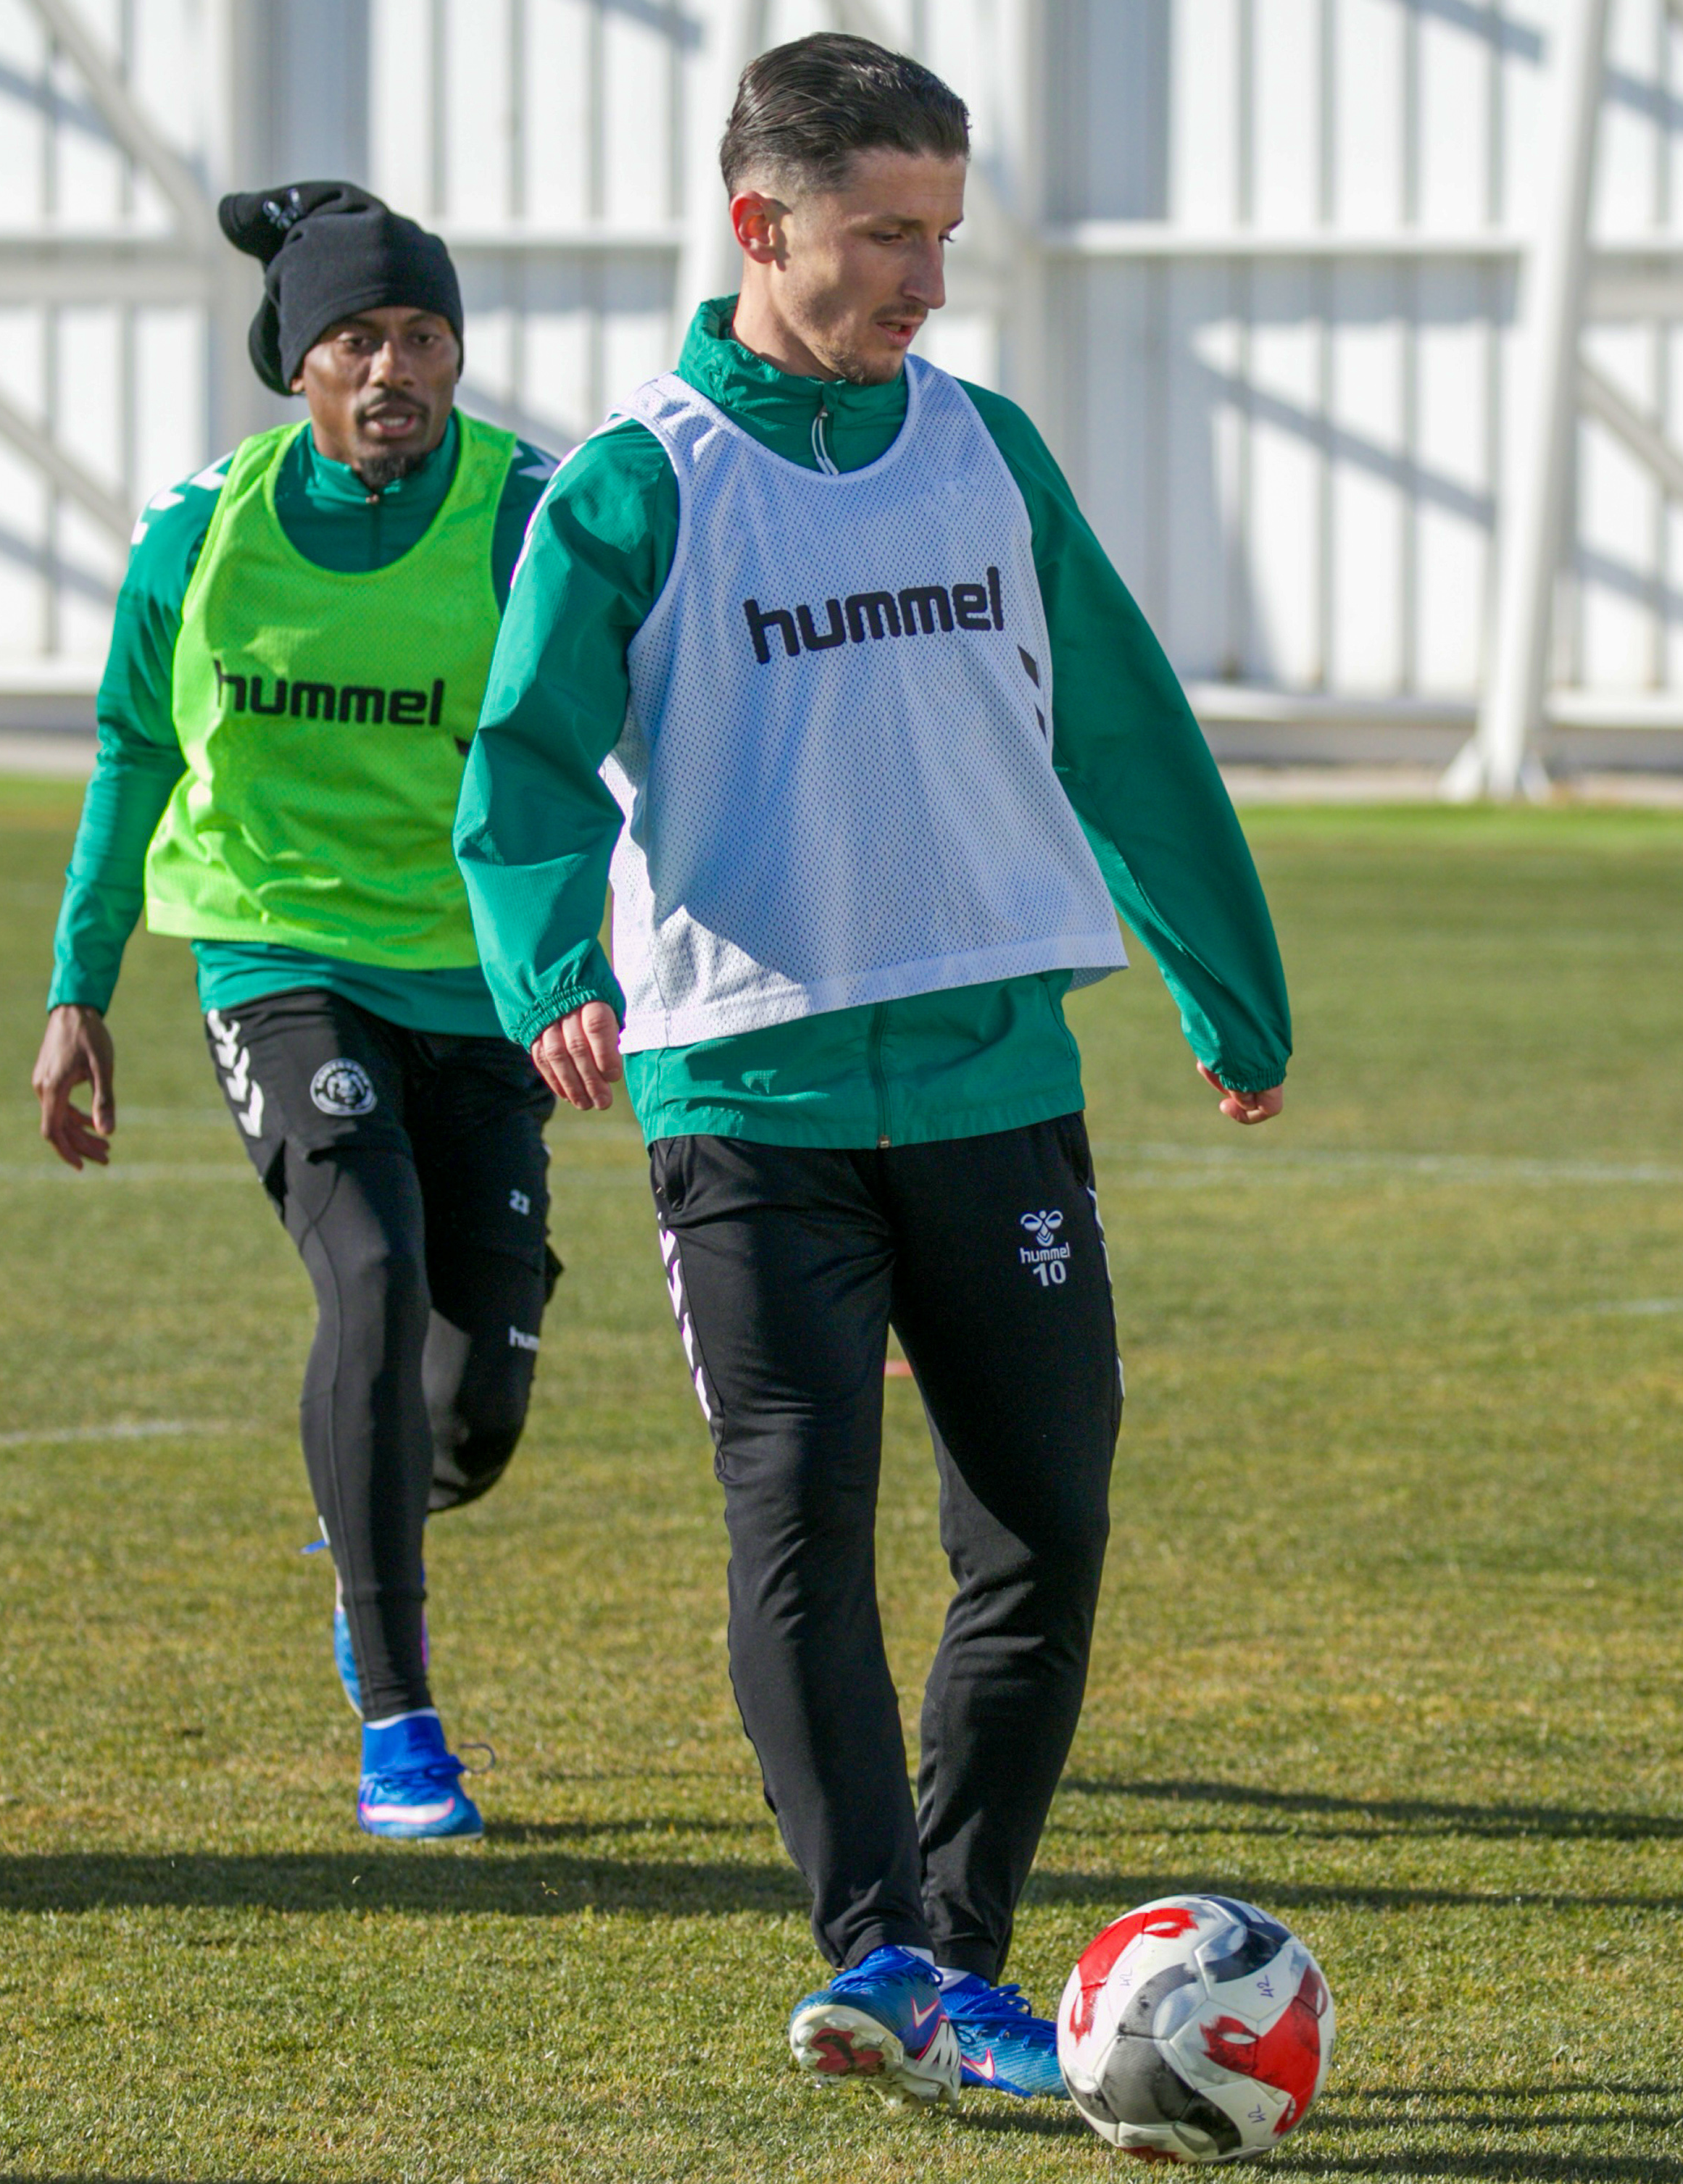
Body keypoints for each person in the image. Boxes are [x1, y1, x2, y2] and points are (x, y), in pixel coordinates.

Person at [454, 35, 1290, 2106]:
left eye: (944, 232)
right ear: (762, 224)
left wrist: (1225, 981)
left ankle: (963, 1952)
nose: (925, 275)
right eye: (885, 232)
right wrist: (551, 964)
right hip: (747, 1103)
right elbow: (523, 763)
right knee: (799, 1518)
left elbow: (1118, 719)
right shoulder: (635, 481)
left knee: (1044, 1531)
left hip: (998, 1074)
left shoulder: (985, 450)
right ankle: (882, 1952)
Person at [33, 182, 564, 1842]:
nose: (393, 368)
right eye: (355, 340)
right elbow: (133, 747)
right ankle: (401, 1725)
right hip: (277, 957)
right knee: (370, 1273)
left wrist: (595, 963)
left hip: (476, 978)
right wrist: (78, 986)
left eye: (422, 336)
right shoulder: (204, 530)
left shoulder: (530, 515)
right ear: (297, 367)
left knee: (471, 1410)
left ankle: (369, 1532)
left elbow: (621, 746)